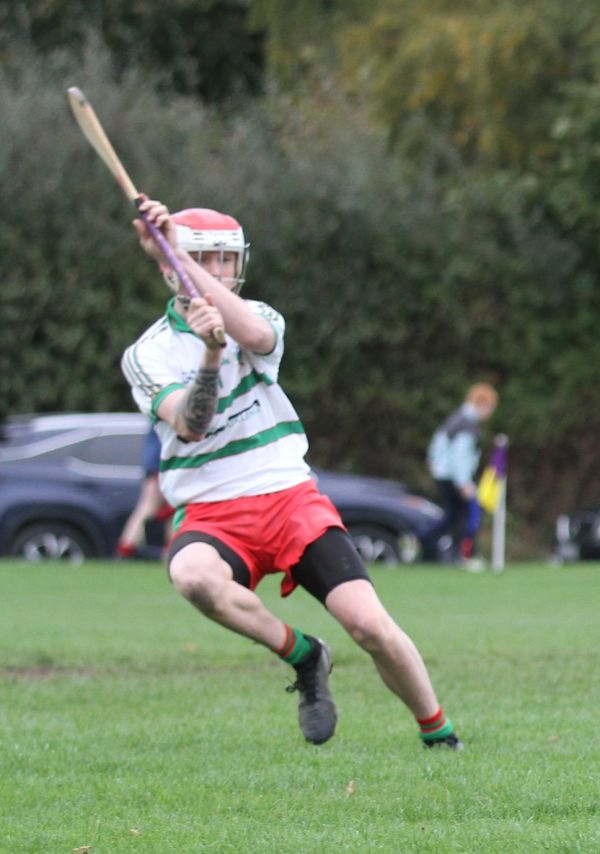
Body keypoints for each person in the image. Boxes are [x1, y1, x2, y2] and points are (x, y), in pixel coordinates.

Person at [121, 199, 460, 751]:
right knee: (192, 577)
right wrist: (208, 356)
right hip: (211, 509)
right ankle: (305, 655)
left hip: (287, 498)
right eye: (202, 259)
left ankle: (439, 735)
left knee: (370, 627)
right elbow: (191, 425)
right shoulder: (147, 353)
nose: (217, 271)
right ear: (166, 268)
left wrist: (183, 256)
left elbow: (253, 337)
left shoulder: (263, 317)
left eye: (224, 261)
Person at [422, 383, 498, 568]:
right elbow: (460, 456)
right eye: (491, 407)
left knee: (451, 518)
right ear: (483, 404)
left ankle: (424, 545)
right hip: (456, 478)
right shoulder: (467, 425)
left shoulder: (456, 418)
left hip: (444, 475)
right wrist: (464, 483)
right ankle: (463, 556)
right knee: (469, 517)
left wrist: (435, 463)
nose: (491, 412)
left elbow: (437, 445)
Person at [116, 427, 174, 558]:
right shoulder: (165, 411)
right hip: (163, 463)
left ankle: (173, 553)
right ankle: (125, 550)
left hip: (162, 462)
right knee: (148, 506)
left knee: (173, 510)